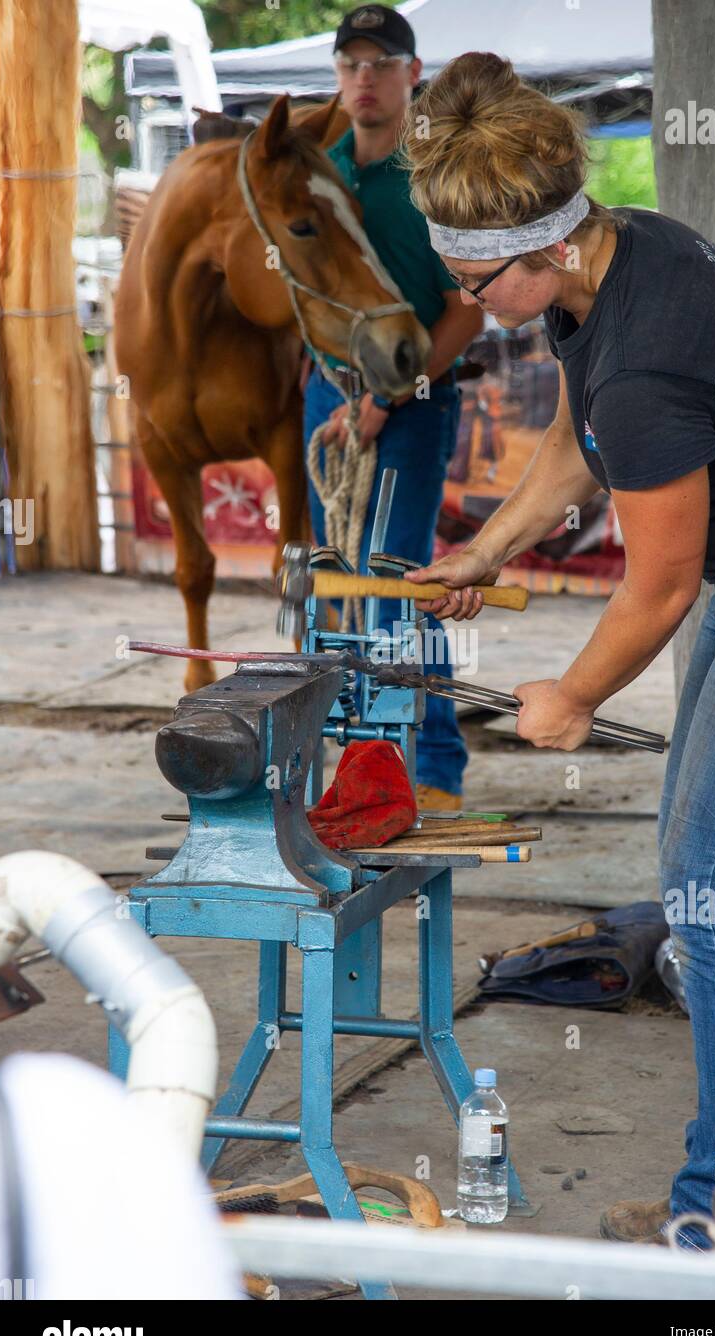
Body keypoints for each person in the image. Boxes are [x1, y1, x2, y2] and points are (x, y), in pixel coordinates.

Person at [403, 51, 715, 1258]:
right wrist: (481, 551)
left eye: (474, 276)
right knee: (711, 885)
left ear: (546, 245)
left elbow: (656, 583)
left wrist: (570, 694)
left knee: (712, 898)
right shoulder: (612, 262)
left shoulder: (650, 351)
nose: (464, 296)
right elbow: (577, 438)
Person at [301, 5, 483, 809]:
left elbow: (466, 309)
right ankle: (347, 765)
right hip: (325, 396)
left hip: (413, 400)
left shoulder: (431, 179)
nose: (363, 78)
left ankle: (435, 764)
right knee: (333, 574)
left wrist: (388, 394)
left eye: (382, 63)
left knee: (401, 580)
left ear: (414, 74)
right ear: (337, 77)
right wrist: (339, 393)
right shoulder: (318, 172)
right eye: (350, 64)